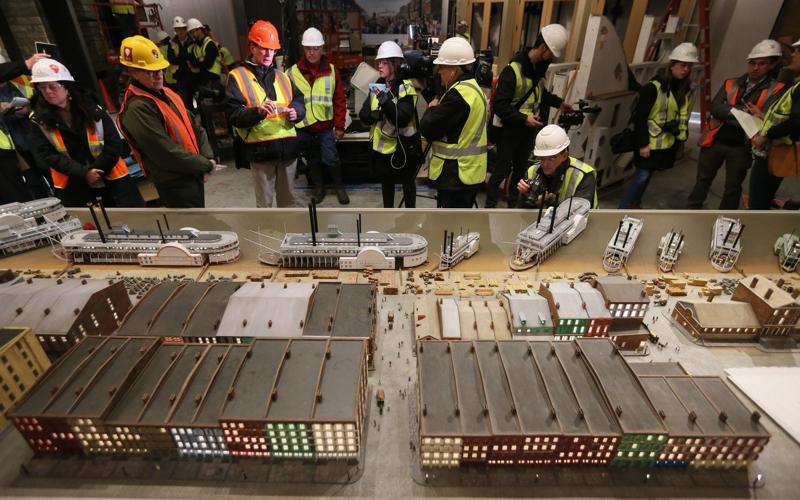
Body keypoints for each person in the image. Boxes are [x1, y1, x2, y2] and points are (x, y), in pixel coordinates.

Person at [28, 58, 144, 208]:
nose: (48, 92)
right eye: (42, 88)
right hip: (74, 186)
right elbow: (46, 156)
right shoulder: (38, 120)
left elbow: (114, 144)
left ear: (67, 87)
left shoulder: (92, 109)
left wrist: (96, 171)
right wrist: (84, 174)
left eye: (52, 86)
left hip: (113, 181)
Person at [117, 36, 216, 208]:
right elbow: (165, 152)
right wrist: (205, 164)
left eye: (161, 69)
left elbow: (196, 126)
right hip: (175, 181)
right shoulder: (137, 108)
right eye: (150, 71)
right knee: (191, 230)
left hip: (192, 172)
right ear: (132, 72)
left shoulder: (167, 93)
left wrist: (207, 158)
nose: (158, 75)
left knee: (199, 225)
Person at [688, 40, 785, 209]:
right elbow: (716, 108)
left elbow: (769, 118)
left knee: (732, 188)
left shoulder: (778, 90)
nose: (755, 68)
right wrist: (742, 113)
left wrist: (731, 111)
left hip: (743, 147)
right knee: (702, 180)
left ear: (772, 65)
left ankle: (725, 222)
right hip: (715, 141)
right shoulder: (730, 83)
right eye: (752, 63)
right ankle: (692, 210)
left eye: (761, 64)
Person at [485, 24, 571, 208]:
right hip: (509, 132)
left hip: (527, 132)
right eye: (550, 53)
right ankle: (489, 208)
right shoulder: (513, 70)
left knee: (521, 172)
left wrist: (559, 103)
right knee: (501, 171)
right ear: (542, 47)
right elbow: (500, 105)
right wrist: (524, 119)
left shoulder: (536, 70)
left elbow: (540, 94)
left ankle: (514, 206)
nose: (551, 58)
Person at [225, 20, 305, 207]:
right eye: (264, 48)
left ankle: (289, 236)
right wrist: (257, 112)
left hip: (288, 151)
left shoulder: (282, 76)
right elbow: (234, 115)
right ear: (252, 47)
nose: (270, 54)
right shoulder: (237, 77)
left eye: (273, 50)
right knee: (265, 206)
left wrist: (296, 112)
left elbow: (299, 101)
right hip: (261, 152)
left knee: (288, 203)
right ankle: (269, 237)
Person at [618, 42, 697, 209]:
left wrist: (681, 137)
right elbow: (640, 117)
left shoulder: (684, 89)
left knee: (647, 176)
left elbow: (681, 115)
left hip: (666, 142)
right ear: (672, 65)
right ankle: (623, 208)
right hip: (648, 143)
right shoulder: (653, 88)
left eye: (689, 66)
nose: (686, 70)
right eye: (683, 65)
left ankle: (634, 204)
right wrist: (643, 144)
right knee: (641, 176)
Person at [419, 37, 486, 208]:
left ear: (454, 71)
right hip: (468, 173)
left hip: (455, 175)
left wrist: (432, 108)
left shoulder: (458, 96)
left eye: (441, 67)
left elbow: (427, 127)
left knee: (453, 226)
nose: (438, 72)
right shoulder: (474, 89)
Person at [289, 27, 349, 205]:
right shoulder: (292, 73)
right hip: (304, 128)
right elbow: (287, 100)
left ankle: (339, 187)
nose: (312, 53)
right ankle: (319, 189)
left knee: (331, 158)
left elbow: (339, 100)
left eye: (315, 49)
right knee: (312, 161)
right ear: (303, 49)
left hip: (325, 127)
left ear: (322, 49)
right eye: (308, 48)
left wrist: (339, 126)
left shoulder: (331, 71)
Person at [358, 41, 420, 208]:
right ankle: (387, 213)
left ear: (395, 64)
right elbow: (363, 114)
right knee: (387, 186)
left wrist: (385, 102)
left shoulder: (405, 87)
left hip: (405, 149)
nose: (380, 65)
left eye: (384, 62)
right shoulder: (378, 85)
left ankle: (410, 217)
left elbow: (402, 118)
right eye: (379, 62)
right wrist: (376, 115)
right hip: (383, 150)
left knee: (408, 185)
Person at [749, 38, 800, 210]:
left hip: (776, 151)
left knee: (758, 204)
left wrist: (766, 135)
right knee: (762, 198)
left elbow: (796, 122)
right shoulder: (795, 85)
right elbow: (785, 116)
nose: (793, 55)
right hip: (777, 151)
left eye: (798, 51)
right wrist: (763, 115)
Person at [0, 53, 51, 200]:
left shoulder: (23, 82)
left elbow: (43, 105)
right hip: (16, 150)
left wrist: (28, 110)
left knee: (53, 176)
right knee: (34, 185)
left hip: (37, 142)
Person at [516, 124, 597, 208]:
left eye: (552, 158)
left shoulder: (583, 175)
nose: (545, 164)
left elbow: (580, 214)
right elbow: (521, 213)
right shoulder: (532, 172)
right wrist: (525, 195)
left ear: (564, 156)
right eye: (542, 158)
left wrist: (550, 199)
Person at [186, 18, 222, 95]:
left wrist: (199, 61)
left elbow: (208, 64)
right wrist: (201, 60)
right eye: (191, 33)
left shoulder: (209, 44)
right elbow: (194, 64)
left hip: (214, 80)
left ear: (200, 30)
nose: (192, 35)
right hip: (203, 80)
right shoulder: (195, 47)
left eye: (193, 31)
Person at [169, 16, 194, 108]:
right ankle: (191, 121)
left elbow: (193, 57)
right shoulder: (172, 42)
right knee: (184, 104)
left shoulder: (193, 40)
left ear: (185, 29)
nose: (180, 32)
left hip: (194, 76)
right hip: (181, 77)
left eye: (181, 29)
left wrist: (180, 56)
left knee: (200, 103)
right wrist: (185, 56)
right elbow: (171, 59)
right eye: (177, 29)